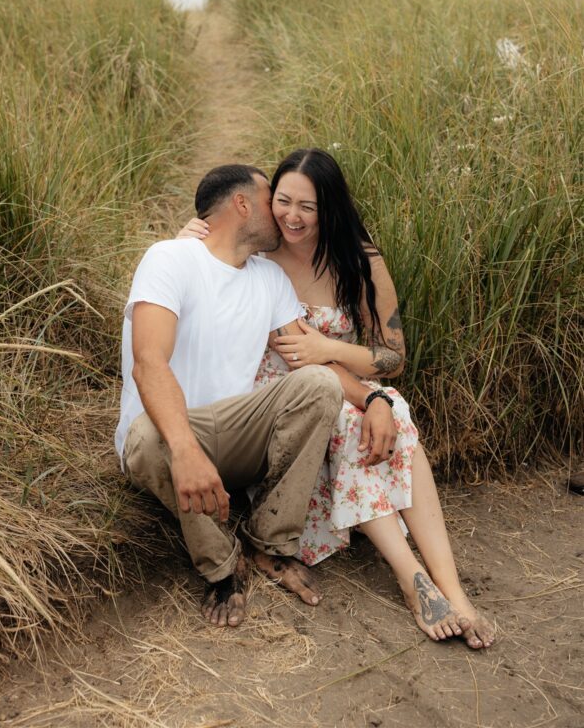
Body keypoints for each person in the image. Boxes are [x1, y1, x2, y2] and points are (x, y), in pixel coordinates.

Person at [178, 148, 496, 648]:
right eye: (283, 201)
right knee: (361, 416)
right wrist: (186, 239)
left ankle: (453, 589)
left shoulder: (358, 260)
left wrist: (335, 352)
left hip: (342, 383)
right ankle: (413, 579)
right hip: (282, 399)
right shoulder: (260, 255)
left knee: (395, 413)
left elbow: (394, 356)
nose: (292, 216)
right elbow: (204, 265)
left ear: (331, 208)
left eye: (309, 206)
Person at [116, 163, 346, 629]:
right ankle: (225, 567)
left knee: (321, 385)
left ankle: (270, 543)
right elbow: (149, 362)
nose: (282, 212)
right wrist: (185, 450)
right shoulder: (170, 259)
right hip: (167, 439)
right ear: (242, 204)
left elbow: (308, 360)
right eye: (271, 199)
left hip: (236, 434)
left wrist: (379, 398)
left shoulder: (270, 279)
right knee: (145, 434)